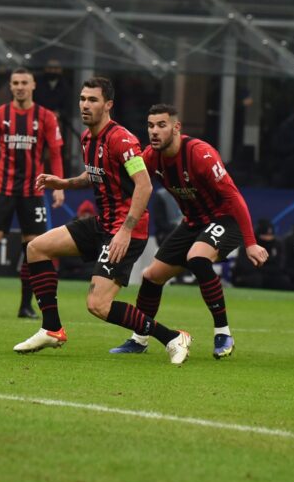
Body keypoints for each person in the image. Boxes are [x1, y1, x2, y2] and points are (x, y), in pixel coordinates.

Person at [19, 77, 194, 364]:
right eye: (83, 99)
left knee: (98, 305)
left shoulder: (122, 140)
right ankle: (51, 329)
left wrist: (124, 231)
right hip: (102, 224)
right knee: (36, 248)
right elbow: (95, 173)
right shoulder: (88, 138)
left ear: (108, 104)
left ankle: (173, 337)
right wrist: (64, 183)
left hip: (126, 230)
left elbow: (144, 185)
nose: (85, 105)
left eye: (93, 100)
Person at [109, 105, 268, 359]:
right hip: (192, 223)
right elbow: (127, 181)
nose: (154, 131)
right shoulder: (151, 157)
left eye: (161, 125)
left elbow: (234, 198)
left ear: (176, 127)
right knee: (151, 276)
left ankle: (223, 333)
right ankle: (139, 339)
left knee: (197, 257)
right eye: (150, 126)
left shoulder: (200, 154)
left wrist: (250, 243)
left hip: (226, 219)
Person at [0, 68, 64, 318]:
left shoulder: (46, 117)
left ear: (33, 86)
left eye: (24, 83)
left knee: (32, 248)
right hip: (3, 189)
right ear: (10, 86)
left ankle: (25, 306)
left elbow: (55, 153)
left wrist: (59, 185)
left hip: (33, 191)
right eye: (16, 83)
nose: (20, 87)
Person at [232, 219, 291, 290]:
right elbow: (244, 266)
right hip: (250, 275)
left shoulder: (278, 245)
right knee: (255, 280)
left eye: (270, 236)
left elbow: (279, 266)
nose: (268, 238)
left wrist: (262, 268)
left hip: (270, 274)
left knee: (283, 281)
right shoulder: (249, 245)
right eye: (265, 235)